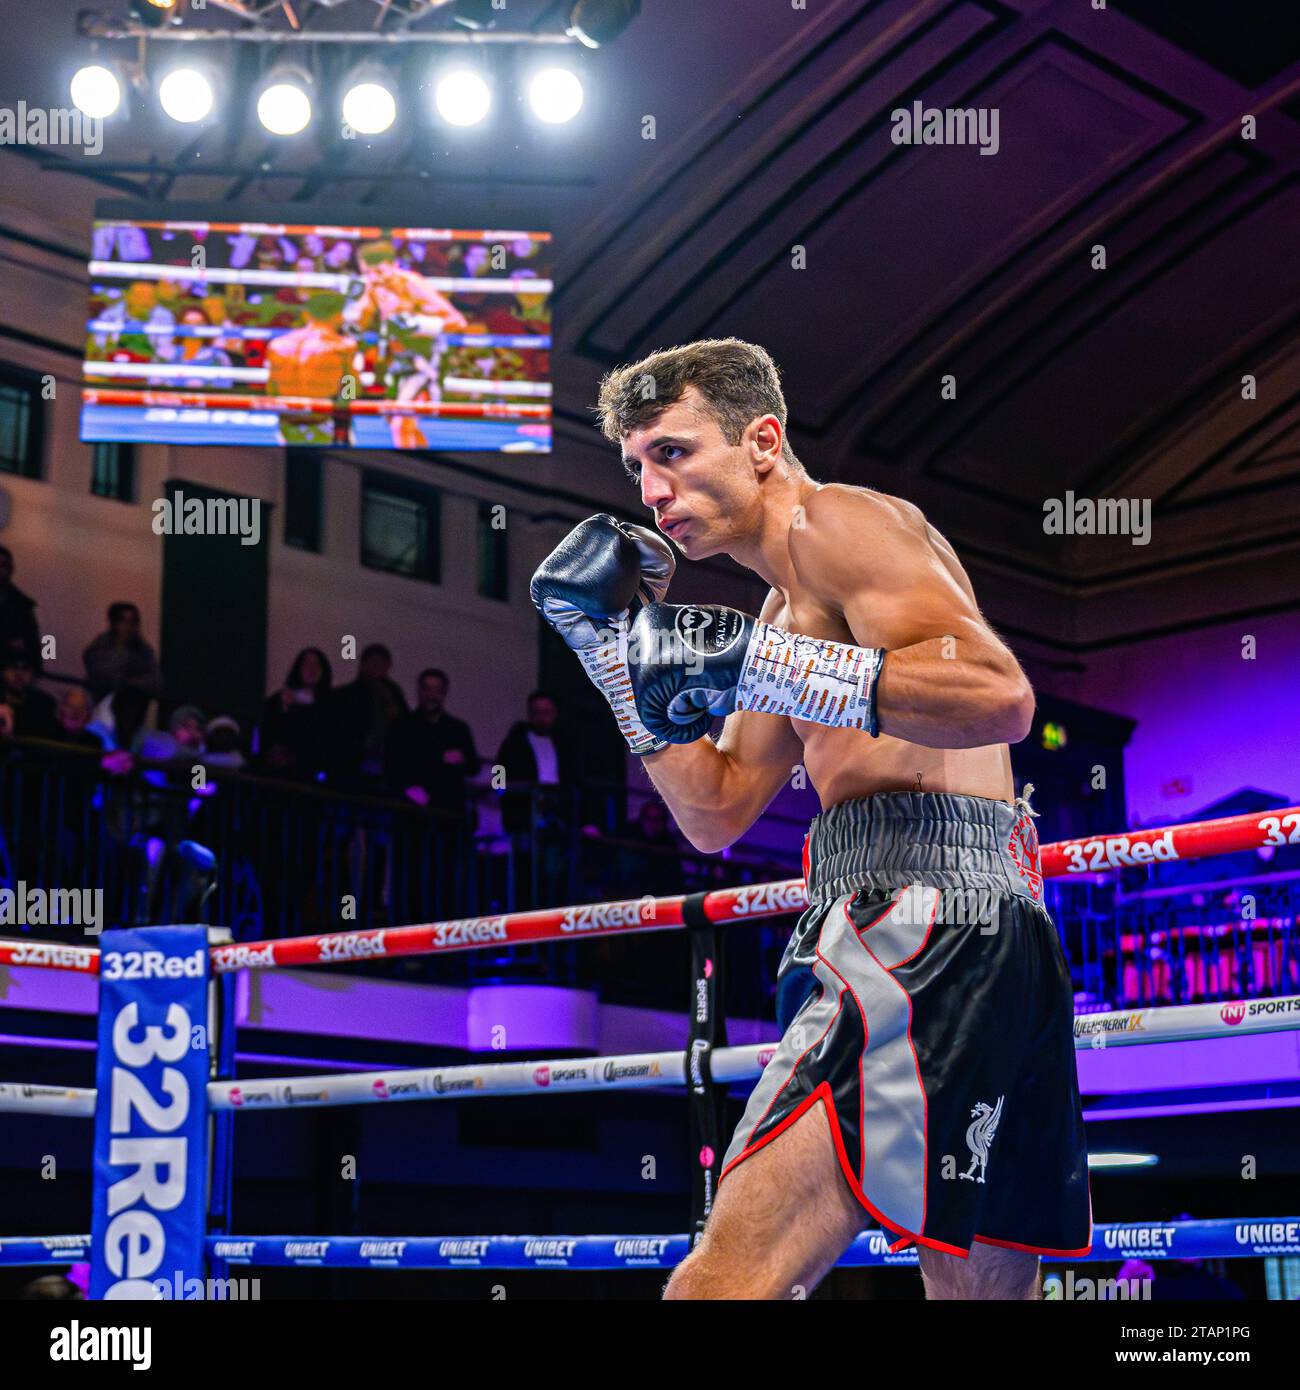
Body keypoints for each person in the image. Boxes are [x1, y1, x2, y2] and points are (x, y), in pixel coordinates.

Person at [531, 337, 1087, 1300]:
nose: (651, 489)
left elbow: (1001, 696)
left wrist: (762, 666)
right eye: (635, 467)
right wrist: (611, 662)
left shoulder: (843, 521)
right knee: (982, 1294)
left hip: (920, 923)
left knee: (724, 1283)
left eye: (672, 451)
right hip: (980, 934)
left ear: (762, 440)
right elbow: (716, 810)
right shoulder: (783, 616)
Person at [384, 668, 480, 822]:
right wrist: (407, 789)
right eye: (427, 689)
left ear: (444, 693)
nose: (431, 695)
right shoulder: (401, 727)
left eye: (437, 690)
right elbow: (390, 765)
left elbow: (474, 767)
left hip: (448, 811)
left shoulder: (458, 729)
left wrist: (463, 760)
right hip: (410, 810)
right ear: (419, 691)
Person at [494, 690, 577, 834]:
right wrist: (502, 792)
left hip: (558, 810)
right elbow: (498, 771)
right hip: (524, 809)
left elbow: (573, 777)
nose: (541, 718)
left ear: (554, 714)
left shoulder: (563, 744)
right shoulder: (514, 743)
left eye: (546, 713)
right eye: (536, 712)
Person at [328, 643, 408, 792]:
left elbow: (404, 731)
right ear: (363, 664)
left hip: (384, 771)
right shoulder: (345, 696)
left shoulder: (394, 697)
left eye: (381, 662)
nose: (377, 666)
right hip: (349, 768)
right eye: (373, 661)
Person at [258, 647, 333, 781]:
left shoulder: (331, 704)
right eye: (306, 664)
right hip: (278, 774)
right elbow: (266, 732)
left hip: (313, 773)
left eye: (316, 665)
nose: (312, 669)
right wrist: (285, 709)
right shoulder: (278, 700)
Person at [82, 602, 162, 701]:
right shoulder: (99, 646)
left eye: (133, 621)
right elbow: (101, 675)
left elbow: (155, 681)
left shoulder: (143, 649)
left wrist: (129, 683)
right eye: (123, 621)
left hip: (132, 704)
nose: (129, 626)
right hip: (101, 702)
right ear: (113, 623)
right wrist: (120, 648)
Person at [0, 546, 41, 669]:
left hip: (13, 677)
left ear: (10, 569)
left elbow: (34, 646)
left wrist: (31, 671)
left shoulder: (22, 605)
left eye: (3, 565)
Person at [0, 653, 57, 738]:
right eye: (13, 667)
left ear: (34, 673)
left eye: (25, 669)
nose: (19, 674)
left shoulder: (45, 703)